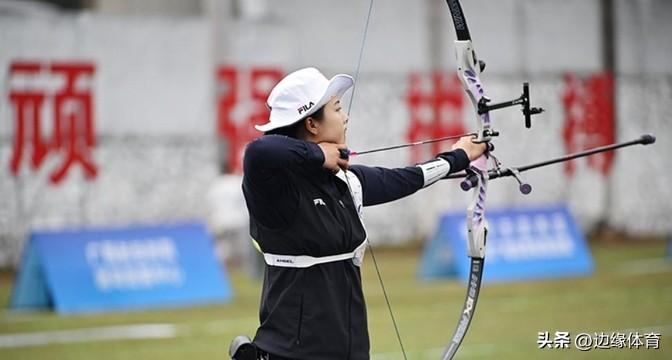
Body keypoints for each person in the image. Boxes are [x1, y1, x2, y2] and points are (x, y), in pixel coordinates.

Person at [236, 67, 486, 360]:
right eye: (337, 108)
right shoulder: (275, 191)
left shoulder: (343, 180)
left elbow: (404, 178)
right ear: (312, 124)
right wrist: (320, 155)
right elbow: (259, 151)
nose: (345, 117)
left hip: (349, 348)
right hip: (293, 351)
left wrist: (458, 156)